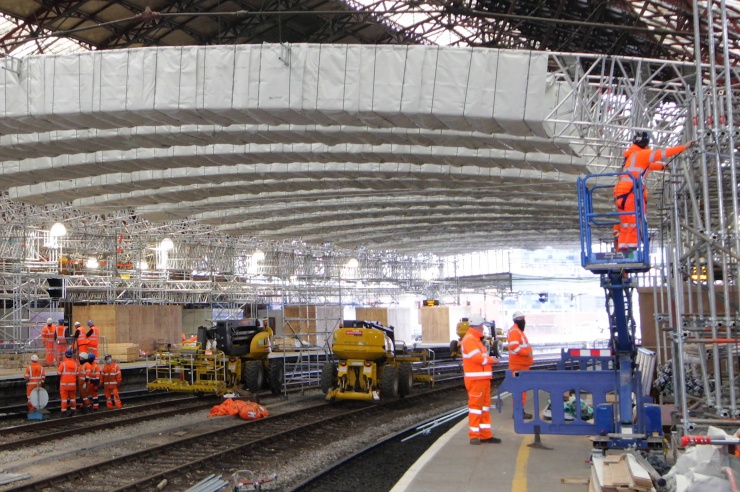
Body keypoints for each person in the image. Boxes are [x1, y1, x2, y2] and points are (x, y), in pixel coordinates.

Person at [613, 131, 697, 251]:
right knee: (633, 224)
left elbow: (649, 166)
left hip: (620, 192)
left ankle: (623, 253)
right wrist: (684, 147)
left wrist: (663, 167)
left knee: (625, 225)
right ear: (646, 144)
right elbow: (663, 153)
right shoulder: (643, 154)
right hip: (630, 192)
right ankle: (631, 254)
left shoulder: (632, 156)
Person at [461, 315, 500, 445]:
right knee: (476, 408)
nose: (483, 328)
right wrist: (491, 360)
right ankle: (474, 436)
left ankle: (485, 435)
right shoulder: (470, 340)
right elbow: (477, 358)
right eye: (482, 326)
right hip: (476, 379)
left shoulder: (476, 340)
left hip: (482, 378)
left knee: (484, 408)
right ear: (478, 326)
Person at [508, 311, 534, 419]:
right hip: (518, 365)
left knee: (521, 390)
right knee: (520, 390)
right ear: (518, 320)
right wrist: (526, 353)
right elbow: (514, 347)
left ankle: (519, 411)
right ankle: (518, 412)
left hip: (521, 365)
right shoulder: (515, 331)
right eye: (522, 319)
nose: (524, 321)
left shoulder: (517, 331)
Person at [58, 350, 78, 417]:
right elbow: (77, 374)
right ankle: (73, 410)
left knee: (64, 399)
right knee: (72, 398)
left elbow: (58, 373)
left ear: (65, 355)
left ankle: (64, 412)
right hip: (72, 385)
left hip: (64, 385)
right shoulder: (75, 364)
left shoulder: (63, 364)